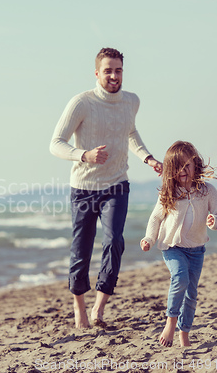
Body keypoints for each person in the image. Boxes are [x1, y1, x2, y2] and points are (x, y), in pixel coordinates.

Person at [50, 47, 163, 329]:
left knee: (114, 242)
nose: (114, 76)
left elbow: (130, 132)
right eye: (108, 70)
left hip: (116, 183)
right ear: (97, 73)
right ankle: (79, 307)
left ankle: (99, 308)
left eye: (119, 70)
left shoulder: (131, 101)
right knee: (81, 251)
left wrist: (147, 157)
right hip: (84, 187)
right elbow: (56, 143)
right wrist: (84, 155)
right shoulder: (81, 103)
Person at [141, 141, 217, 347]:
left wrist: (215, 221)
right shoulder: (168, 192)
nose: (182, 171)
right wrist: (149, 239)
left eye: (186, 165)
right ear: (170, 169)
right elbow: (155, 218)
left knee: (191, 294)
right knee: (180, 278)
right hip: (172, 247)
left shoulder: (207, 191)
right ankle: (170, 324)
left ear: (195, 165)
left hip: (197, 250)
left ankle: (184, 335)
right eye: (177, 166)